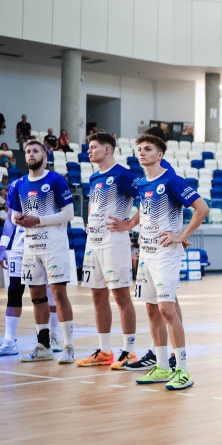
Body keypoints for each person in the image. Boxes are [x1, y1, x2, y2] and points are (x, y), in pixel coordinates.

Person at [131, 133, 209, 390]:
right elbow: (147, 211)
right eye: (139, 149)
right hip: (147, 253)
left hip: (166, 254)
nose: (142, 153)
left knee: (166, 309)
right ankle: (163, 366)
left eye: (148, 149)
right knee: (151, 309)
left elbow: (202, 208)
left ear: (159, 155)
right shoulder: (141, 182)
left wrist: (181, 236)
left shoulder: (172, 180)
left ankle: (183, 369)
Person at [7, 140, 77, 364]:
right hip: (30, 247)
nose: (30, 154)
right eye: (28, 151)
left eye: (35, 151)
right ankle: (43, 345)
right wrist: (16, 218)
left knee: (58, 294)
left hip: (54, 247)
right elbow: (13, 214)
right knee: (36, 296)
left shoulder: (56, 180)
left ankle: (68, 346)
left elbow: (68, 214)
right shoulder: (18, 185)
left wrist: (40, 220)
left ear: (45, 157)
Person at [75, 132, 140, 370]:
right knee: (97, 295)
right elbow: (95, 206)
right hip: (93, 243)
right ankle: (104, 351)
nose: (89, 151)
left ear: (107, 150)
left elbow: (147, 199)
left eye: (93, 147)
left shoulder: (123, 174)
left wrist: (130, 224)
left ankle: (130, 352)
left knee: (121, 296)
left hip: (115, 242)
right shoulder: (93, 177)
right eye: (88, 147)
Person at [0, 215, 62, 357]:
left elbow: (64, 215)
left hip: (44, 245)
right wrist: (3, 246)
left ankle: (53, 337)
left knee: (48, 294)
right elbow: (9, 218)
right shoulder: (15, 191)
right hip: (19, 247)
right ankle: (9, 341)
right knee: (14, 290)